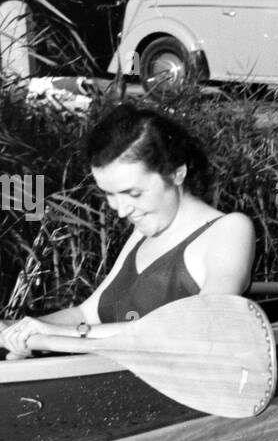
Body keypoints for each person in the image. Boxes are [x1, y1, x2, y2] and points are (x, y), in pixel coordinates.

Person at [0, 103, 255, 359]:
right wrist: (17, 329)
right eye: (109, 194)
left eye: (134, 193)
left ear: (177, 173)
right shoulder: (142, 233)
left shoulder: (230, 229)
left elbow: (203, 325)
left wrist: (59, 336)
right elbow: (86, 315)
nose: (121, 211)